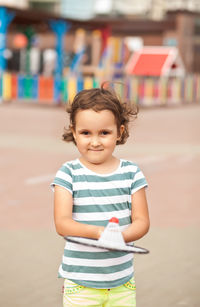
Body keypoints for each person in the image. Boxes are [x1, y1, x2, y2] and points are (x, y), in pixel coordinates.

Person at [51, 83, 150, 307]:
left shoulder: (131, 172)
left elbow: (142, 221)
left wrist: (121, 238)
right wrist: (99, 233)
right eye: (86, 133)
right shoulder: (68, 173)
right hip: (81, 283)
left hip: (122, 283)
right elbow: (62, 223)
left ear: (119, 132)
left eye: (104, 133)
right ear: (74, 132)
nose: (95, 141)